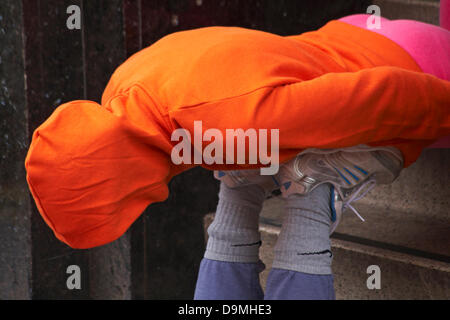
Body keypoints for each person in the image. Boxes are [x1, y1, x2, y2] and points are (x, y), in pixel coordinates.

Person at [25, 1, 449, 300]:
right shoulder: (126, 91)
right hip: (346, 33)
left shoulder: (229, 120)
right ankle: (255, 167)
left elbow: (384, 96)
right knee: (237, 175)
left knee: (293, 187)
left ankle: (316, 174)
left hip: (415, 59)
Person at [194, 6, 450, 300]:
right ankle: (315, 176)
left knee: (235, 206)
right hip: (421, 53)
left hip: (331, 38)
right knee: (309, 201)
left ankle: (256, 166)